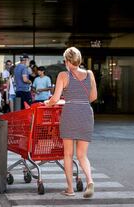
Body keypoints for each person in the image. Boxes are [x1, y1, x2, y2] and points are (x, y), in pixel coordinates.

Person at [45, 47, 97, 198]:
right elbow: (93, 97)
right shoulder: (89, 74)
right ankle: (90, 181)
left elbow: (55, 99)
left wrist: (48, 103)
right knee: (82, 155)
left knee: (68, 154)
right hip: (86, 113)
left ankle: (70, 189)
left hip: (70, 113)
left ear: (67, 61)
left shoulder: (63, 75)